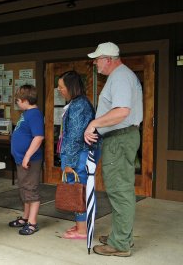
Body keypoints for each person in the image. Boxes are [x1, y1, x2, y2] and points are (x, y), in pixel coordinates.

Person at [84, 42, 143, 257]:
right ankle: (121, 236)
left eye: (97, 59)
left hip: (119, 139)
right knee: (121, 188)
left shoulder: (119, 77)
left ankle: (120, 244)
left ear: (108, 59)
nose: (95, 63)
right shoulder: (123, 76)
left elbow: (122, 111)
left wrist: (94, 124)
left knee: (119, 190)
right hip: (121, 138)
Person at [56, 70, 97, 239]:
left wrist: (69, 163)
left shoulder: (79, 105)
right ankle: (81, 224)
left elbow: (75, 136)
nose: (59, 90)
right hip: (78, 154)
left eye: (61, 87)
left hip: (78, 155)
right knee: (77, 188)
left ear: (71, 87)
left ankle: (82, 230)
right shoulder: (77, 103)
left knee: (78, 189)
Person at [9, 84, 44, 235]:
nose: (17, 103)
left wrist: (28, 155)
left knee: (31, 190)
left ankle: (32, 222)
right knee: (24, 189)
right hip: (22, 160)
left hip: (30, 161)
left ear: (24, 100)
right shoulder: (26, 113)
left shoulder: (34, 114)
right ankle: (25, 217)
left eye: (17, 100)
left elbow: (38, 137)